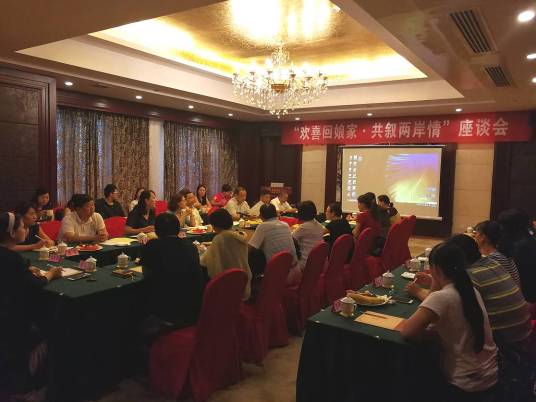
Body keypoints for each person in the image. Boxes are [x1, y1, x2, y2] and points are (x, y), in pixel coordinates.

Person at [401, 243, 498, 401]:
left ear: (436, 269)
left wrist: (434, 285)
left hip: (465, 384)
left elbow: (407, 332)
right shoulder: (470, 290)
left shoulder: (442, 297)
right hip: (490, 374)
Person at [408, 234, 531, 346]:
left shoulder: (468, 277)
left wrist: (419, 291)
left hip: (506, 342)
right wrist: (434, 279)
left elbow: (439, 305)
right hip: (522, 330)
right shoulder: (492, 262)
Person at [0, 212, 62, 397]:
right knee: (51, 329)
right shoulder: (13, 259)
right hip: (13, 320)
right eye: (22, 227)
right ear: (12, 233)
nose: (26, 230)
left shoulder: (10, 257)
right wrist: (50, 274)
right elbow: (34, 284)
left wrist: (26, 269)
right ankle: (28, 386)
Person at [141, 213, 205, 329]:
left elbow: (147, 275)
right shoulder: (190, 246)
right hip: (194, 309)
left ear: (156, 231)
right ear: (178, 229)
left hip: (167, 312)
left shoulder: (152, 245)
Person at [200, 208, 252, 300]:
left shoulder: (220, 239)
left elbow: (204, 261)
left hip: (226, 286)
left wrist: (203, 250)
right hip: (243, 282)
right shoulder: (240, 235)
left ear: (216, 225)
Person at [498, 208, 536, 303]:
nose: (501, 228)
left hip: (522, 296)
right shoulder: (529, 239)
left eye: (503, 225)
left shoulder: (518, 246)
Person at [249, 204, 297, 276]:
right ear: (276, 214)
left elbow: (250, 248)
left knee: (253, 257)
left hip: (278, 274)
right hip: (295, 270)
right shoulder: (286, 225)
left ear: (261, 216)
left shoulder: (263, 226)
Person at [474, 220, 521, 286]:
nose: (475, 236)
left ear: (483, 237)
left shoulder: (492, 258)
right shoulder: (501, 252)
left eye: (476, 233)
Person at [291, 201, 325, 284]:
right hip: (318, 261)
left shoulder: (304, 227)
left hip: (305, 263)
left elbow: (290, 239)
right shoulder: (319, 225)